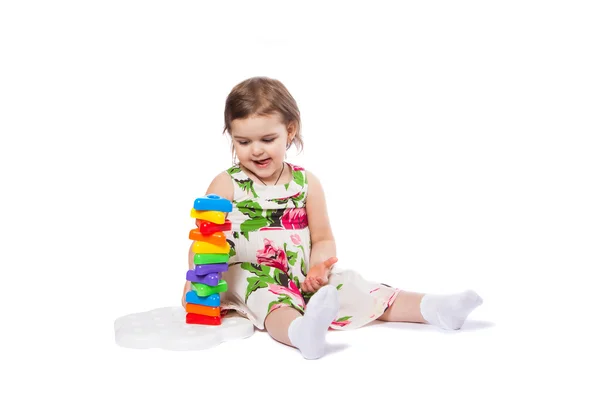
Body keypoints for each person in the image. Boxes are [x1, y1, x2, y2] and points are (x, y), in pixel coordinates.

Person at [182, 76, 483, 359]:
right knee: (266, 296)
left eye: (267, 138)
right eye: (243, 142)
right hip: (249, 274)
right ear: (231, 138)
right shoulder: (227, 183)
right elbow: (206, 239)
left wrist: (317, 268)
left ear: (290, 131)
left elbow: (323, 237)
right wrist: (197, 278)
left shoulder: (306, 183)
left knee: (353, 286)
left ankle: (434, 307)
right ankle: (301, 333)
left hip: (301, 275)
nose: (256, 150)